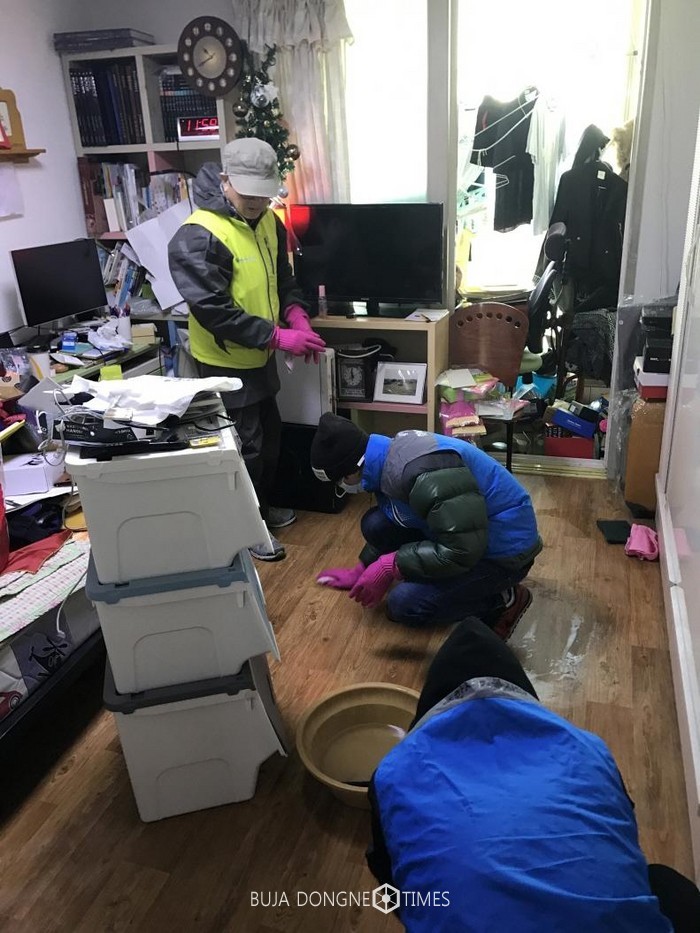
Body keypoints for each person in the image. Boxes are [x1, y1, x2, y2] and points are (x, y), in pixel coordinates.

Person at [366, 617, 700, 932]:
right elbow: (620, 822)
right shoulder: (588, 749)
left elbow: (387, 871)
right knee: (665, 884)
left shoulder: (395, 770)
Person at [168, 138, 326, 562]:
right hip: (223, 362)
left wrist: (296, 314)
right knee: (244, 448)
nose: (256, 202)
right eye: (247, 193)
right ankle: (245, 529)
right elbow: (214, 311)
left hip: (259, 357)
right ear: (225, 181)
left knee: (268, 438)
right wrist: (278, 337)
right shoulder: (198, 236)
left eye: (263, 193)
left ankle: (260, 511)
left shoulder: (269, 222)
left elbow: (282, 280)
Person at [310, 412, 541, 635]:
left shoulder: (424, 473)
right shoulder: (387, 455)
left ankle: (505, 599)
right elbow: (404, 513)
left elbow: (462, 550)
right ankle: (435, 576)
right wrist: (362, 568)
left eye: (339, 481)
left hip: (505, 553)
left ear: (352, 471)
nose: (342, 487)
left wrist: (390, 565)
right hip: (470, 530)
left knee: (405, 604)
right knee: (376, 523)